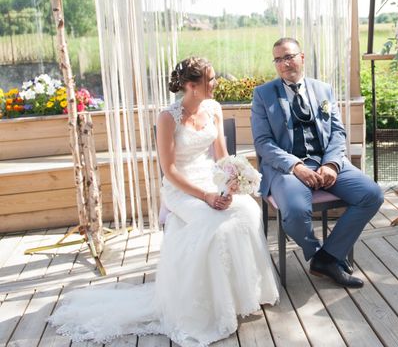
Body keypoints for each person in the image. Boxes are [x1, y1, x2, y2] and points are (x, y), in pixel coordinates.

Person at [50, 57, 279, 346]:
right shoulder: (168, 118)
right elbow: (169, 170)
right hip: (181, 187)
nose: (216, 83)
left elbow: (221, 155)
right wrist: (207, 196)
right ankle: (204, 305)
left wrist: (232, 180)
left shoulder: (214, 108)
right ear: (192, 86)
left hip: (211, 177)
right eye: (210, 79)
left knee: (246, 210)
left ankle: (240, 295)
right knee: (212, 224)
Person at [251, 38, 383, 288]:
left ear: (302, 58)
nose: (284, 63)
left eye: (289, 57)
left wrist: (332, 164)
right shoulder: (263, 94)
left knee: (372, 194)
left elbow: (337, 132)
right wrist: (296, 166)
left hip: (326, 162)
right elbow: (263, 142)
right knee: (296, 210)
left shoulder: (323, 89)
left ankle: (328, 256)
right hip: (287, 169)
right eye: (278, 59)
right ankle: (318, 253)